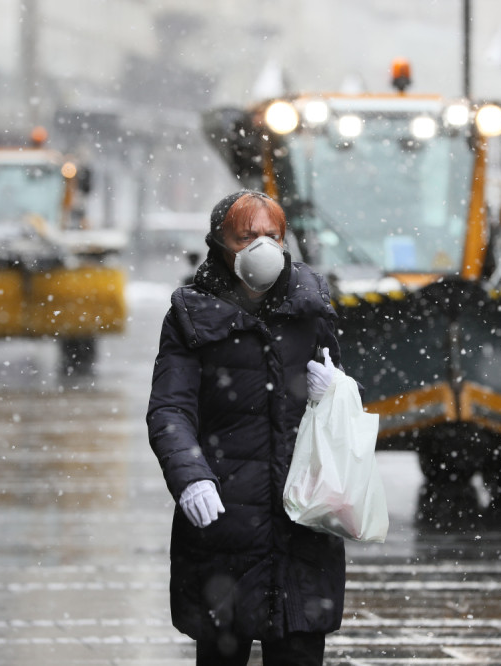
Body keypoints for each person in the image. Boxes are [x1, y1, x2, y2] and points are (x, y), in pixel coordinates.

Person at [147, 190, 347, 665]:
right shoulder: (189, 316)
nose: (261, 247)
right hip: (224, 525)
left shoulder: (312, 308)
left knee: (298, 646)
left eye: (271, 236)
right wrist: (191, 476)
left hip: (302, 523)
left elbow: (342, 412)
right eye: (246, 236)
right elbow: (170, 410)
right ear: (220, 243)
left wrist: (337, 392)